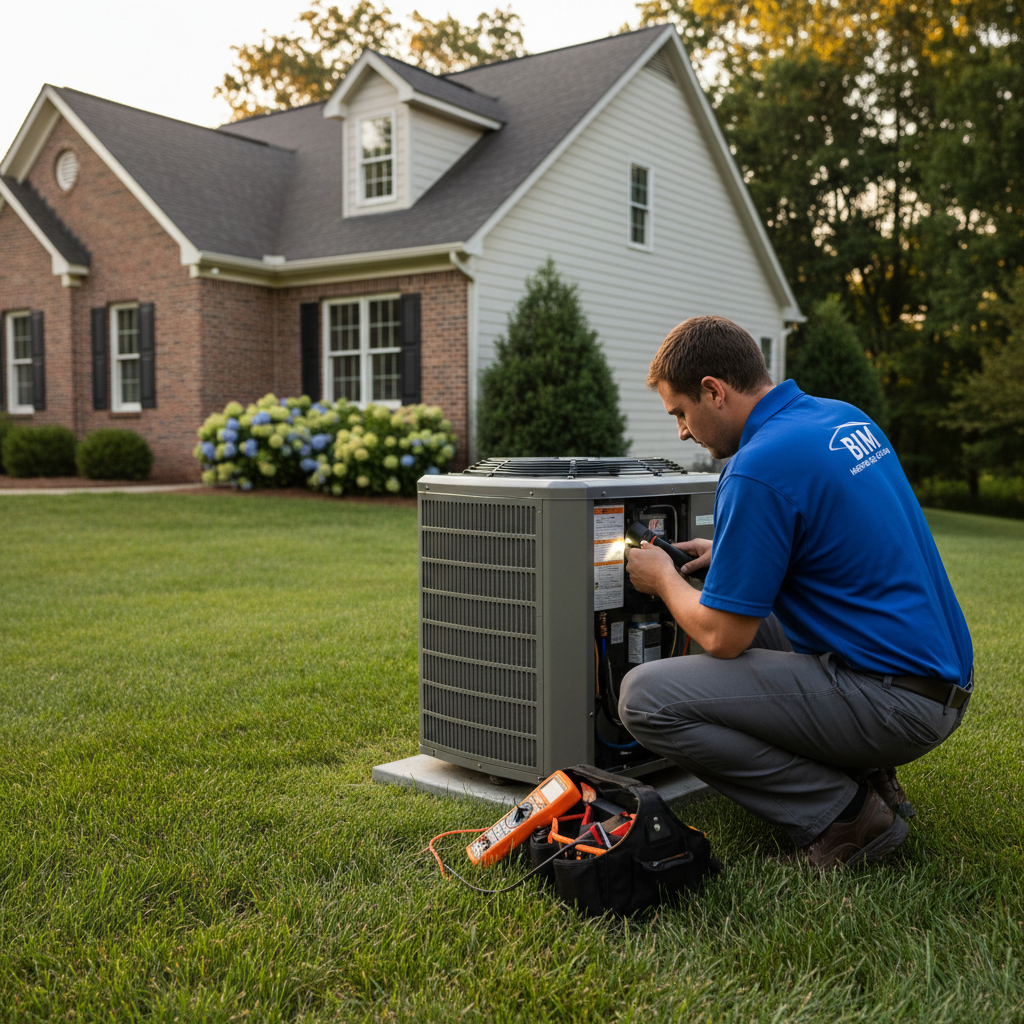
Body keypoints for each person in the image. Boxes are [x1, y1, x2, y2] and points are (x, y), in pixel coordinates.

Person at [621, 316, 973, 867]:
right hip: (941, 677)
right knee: (735, 600)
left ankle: (844, 817)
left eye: (682, 414)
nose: (683, 432)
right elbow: (839, 538)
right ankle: (866, 770)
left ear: (714, 391)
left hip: (899, 702)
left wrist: (663, 579)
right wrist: (732, 554)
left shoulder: (756, 467)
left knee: (644, 698)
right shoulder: (841, 419)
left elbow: (722, 639)